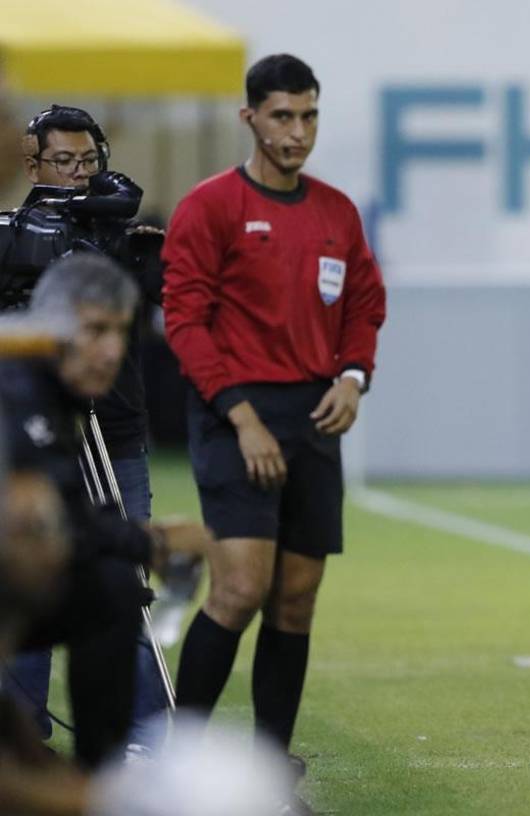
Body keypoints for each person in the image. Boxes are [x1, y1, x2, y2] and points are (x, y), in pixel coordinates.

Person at [162, 53, 386, 772]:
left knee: (295, 600)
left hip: (313, 416)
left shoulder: (335, 212)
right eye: (282, 116)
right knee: (238, 589)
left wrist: (353, 376)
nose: (297, 132)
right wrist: (241, 415)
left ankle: (269, 765)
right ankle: (179, 762)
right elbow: (185, 321)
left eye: (309, 116)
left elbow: (365, 305)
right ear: (249, 117)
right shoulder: (210, 207)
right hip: (234, 414)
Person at [2, 104, 169, 752]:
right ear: (32, 163)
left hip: (117, 434)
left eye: (88, 162)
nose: (78, 175)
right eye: (64, 161)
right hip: (35, 432)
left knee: (126, 583)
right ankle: (24, 749)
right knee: (29, 582)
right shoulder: (15, 238)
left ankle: (144, 746)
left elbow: (161, 304)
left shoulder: (120, 236)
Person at [0, 253, 209, 768]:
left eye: (121, 331)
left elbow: (73, 510)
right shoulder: (15, 386)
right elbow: (54, 520)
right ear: (50, 326)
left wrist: (142, 543)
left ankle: (104, 773)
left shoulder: (53, 388)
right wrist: (156, 542)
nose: (113, 350)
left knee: (112, 584)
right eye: (95, 330)